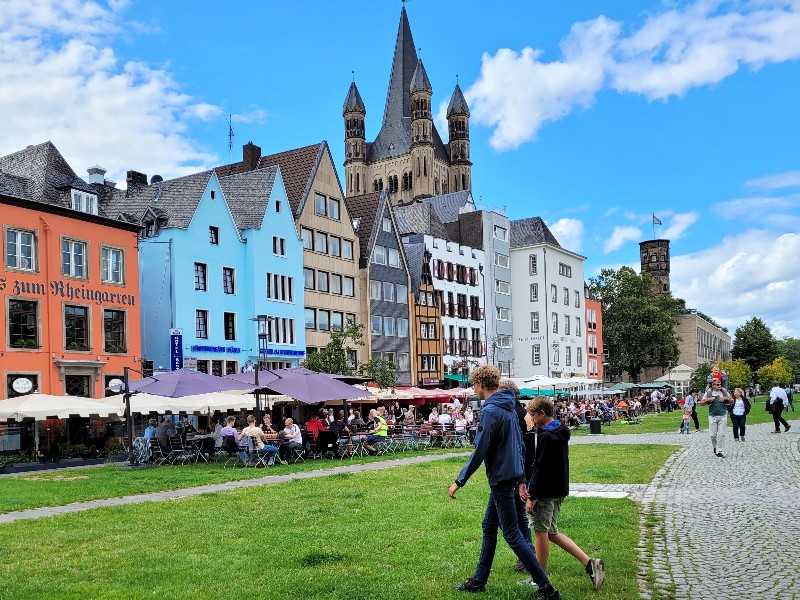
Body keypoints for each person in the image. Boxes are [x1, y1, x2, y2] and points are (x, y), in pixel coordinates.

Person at [448, 366, 560, 599]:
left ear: (480, 383)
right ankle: (479, 580)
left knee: (512, 535)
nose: (474, 389)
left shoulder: (491, 410)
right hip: (510, 476)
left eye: (474, 384)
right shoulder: (509, 407)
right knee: (489, 527)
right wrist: (521, 479)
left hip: (501, 478)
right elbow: (520, 445)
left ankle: (547, 589)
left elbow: (481, 449)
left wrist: (460, 480)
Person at [523, 396, 605, 591]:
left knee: (541, 533)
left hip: (546, 492)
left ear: (542, 413)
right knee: (551, 533)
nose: (531, 419)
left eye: (533, 415)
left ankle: (538, 578)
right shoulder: (560, 431)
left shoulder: (545, 437)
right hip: (558, 490)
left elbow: (540, 468)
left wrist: (532, 496)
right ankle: (590, 563)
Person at [699, 378, 731, 457]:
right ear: (713, 385)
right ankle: (715, 446)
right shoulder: (709, 392)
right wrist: (708, 400)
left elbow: (732, 400)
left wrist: (725, 398)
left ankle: (719, 450)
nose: (719, 385)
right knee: (712, 435)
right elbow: (701, 403)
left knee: (721, 434)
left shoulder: (724, 392)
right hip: (712, 416)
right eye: (717, 384)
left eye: (720, 384)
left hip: (722, 416)